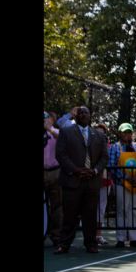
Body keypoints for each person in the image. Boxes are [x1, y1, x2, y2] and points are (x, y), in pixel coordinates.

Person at [55, 106, 109, 254]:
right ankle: (64, 244)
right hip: (72, 180)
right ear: (76, 116)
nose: (84, 114)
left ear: (90, 116)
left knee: (90, 215)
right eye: (81, 112)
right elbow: (61, 154)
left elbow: (104, 157)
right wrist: (76, 170)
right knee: (69, 215)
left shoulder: (98, 135)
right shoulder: (66, 132)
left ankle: (91, 244)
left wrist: (95, 170)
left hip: (91, 181)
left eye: (86, 112)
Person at [108, 123, 136, 248]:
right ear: (119, 133)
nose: (127, 135)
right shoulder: (115, 147)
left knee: (135, 209)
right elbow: (112, 166)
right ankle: (121, 238)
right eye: (124, 132)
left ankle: (135, 238)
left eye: (129, 132)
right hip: (121, 183)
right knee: (122, 210)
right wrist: (125, 178)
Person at [44, 111, 63, 247]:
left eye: (46, 119)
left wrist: (49, 129)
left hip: (55, 172)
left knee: (57, 205)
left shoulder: (56, 131)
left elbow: (62, 141)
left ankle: (56, 235)